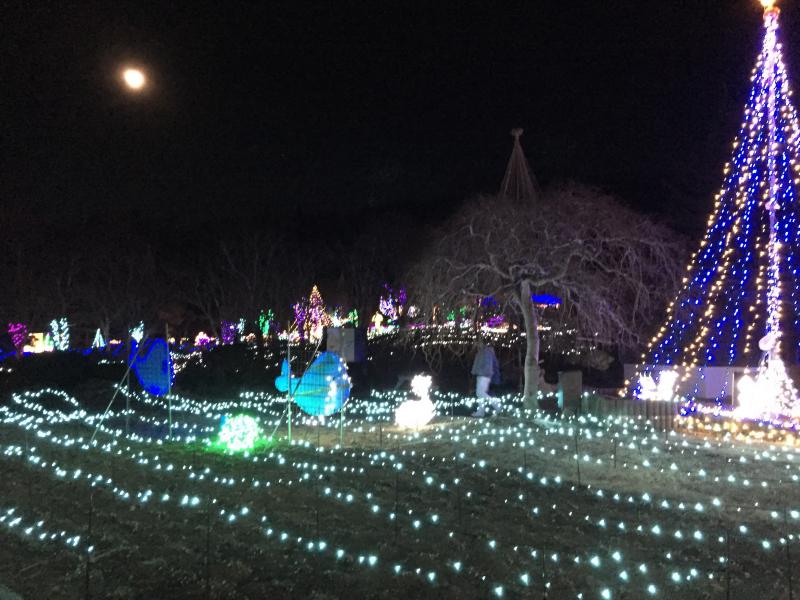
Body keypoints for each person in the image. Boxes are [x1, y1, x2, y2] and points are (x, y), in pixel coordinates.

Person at [471, 340, 501, 417]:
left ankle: (498, 406)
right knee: (480, 394)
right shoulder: (482, 351)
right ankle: (481, 412)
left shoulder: (486, 352)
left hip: (484, 375)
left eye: (476, 343)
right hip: (481, 374)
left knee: (480, 393)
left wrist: (482, 372)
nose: (475, 344)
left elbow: (488, 365)